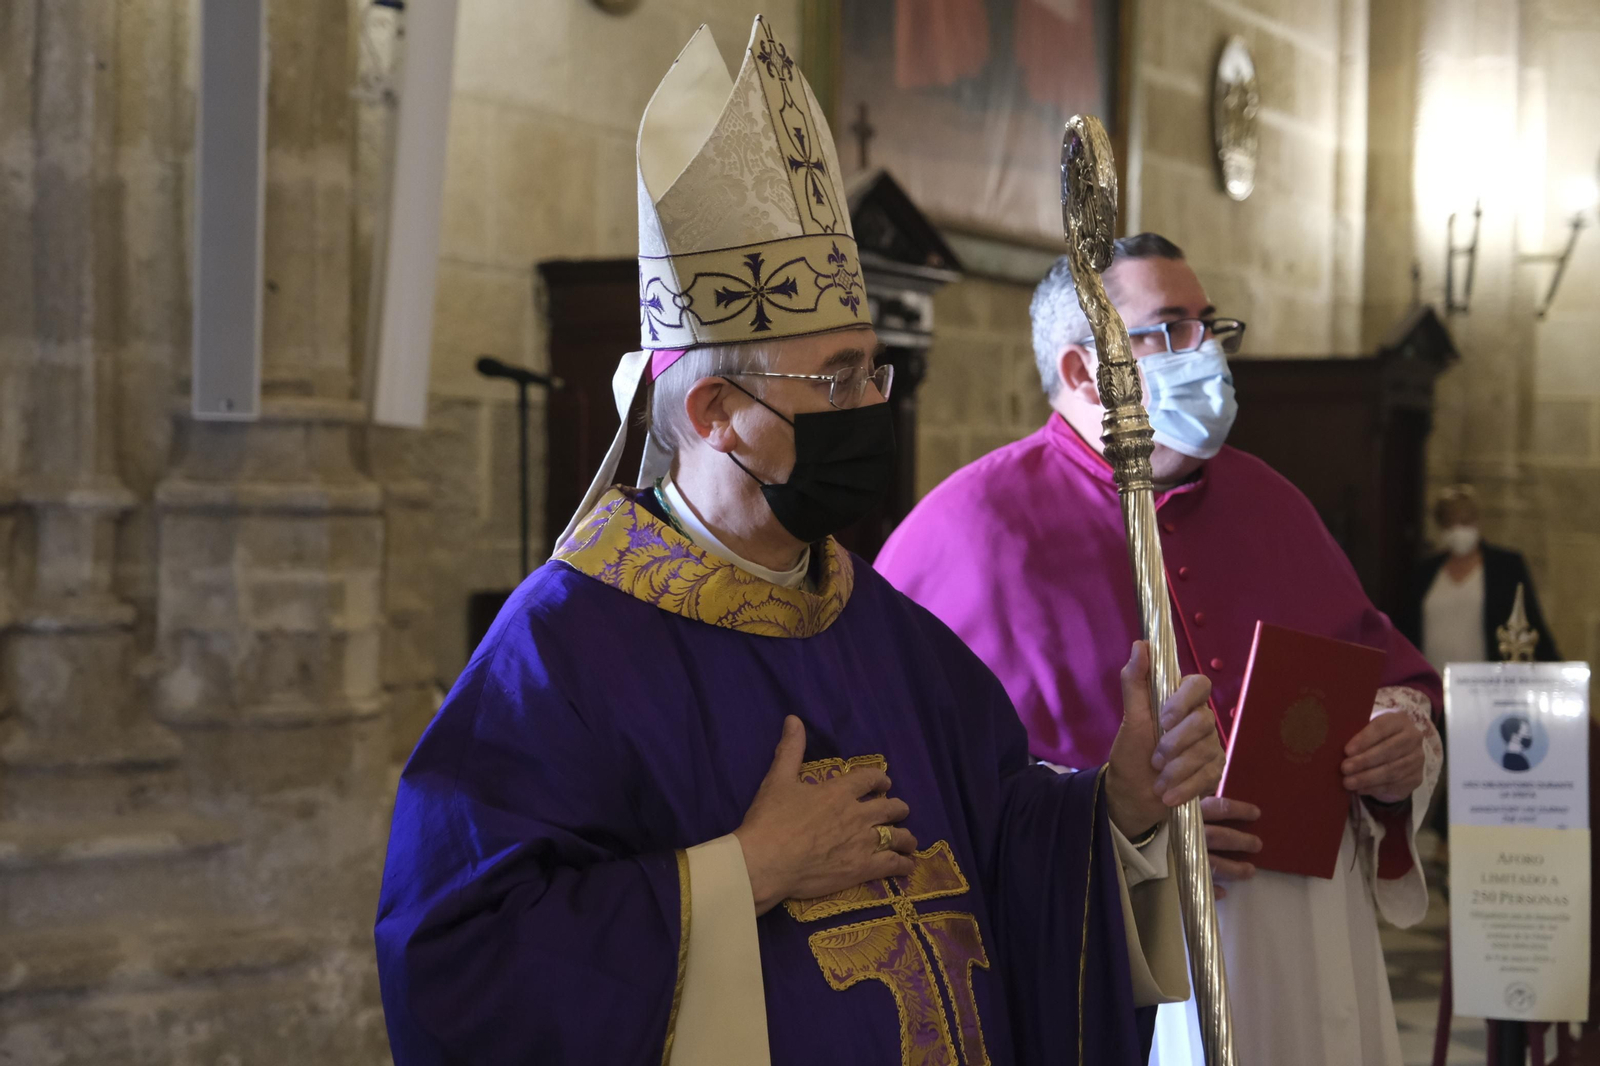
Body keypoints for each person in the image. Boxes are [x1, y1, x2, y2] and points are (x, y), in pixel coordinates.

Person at [375, 25, 1225, 1066]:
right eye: (839, 379)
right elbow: (459, 962)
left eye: (876, 372)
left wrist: (1118, 805)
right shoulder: (560, 652)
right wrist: (744, 871)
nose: (871, 406)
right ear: (718, 410)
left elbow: (1003, 839)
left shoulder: (895, 638)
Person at [877, 234, 1445, 1066]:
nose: (1206, 351)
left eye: (1211, 327)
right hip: (1112, 958)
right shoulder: (970, 528)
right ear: (1078, 372)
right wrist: (1129, 830)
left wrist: (1402, 754)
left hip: (1307, 946)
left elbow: (1389, 681)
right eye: (1172, 330)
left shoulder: (1270, 500)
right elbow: (925, 788)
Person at [1397, 484, 1561, 671]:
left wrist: (1558, 675)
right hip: (1434, 680)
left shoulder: (1504, 567)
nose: (1458, 530)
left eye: (1464, 522)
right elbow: (1406, 630)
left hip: (1486, 682)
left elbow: (1530, 624)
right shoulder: (1425, 573)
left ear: (1476, 521)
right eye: (1451, 523)